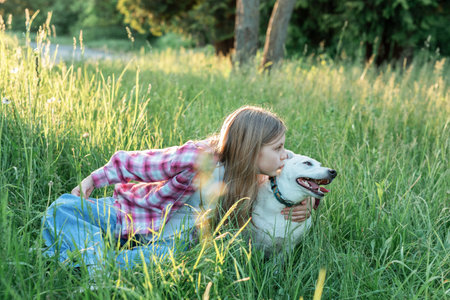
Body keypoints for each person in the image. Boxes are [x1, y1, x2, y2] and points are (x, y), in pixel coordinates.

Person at [42, 106, 313, 270]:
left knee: (155, 261)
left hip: (173, 243)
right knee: (61, 208)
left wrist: (310, 202)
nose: (284, 155)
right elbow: (138, 163)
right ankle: (93, 261)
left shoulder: (265, 172)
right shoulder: (199, 158)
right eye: (278, 148)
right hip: (138, 214)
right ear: (251, 149)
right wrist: (92, 179)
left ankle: (87, 260)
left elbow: (304, 173)